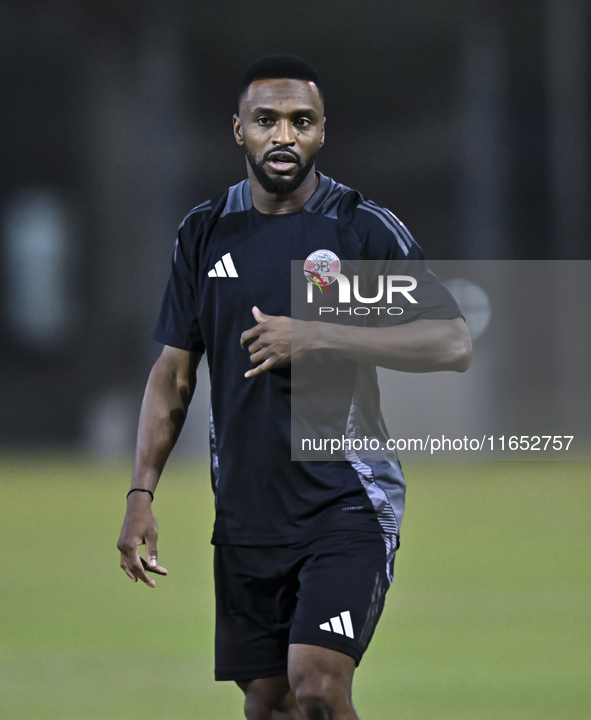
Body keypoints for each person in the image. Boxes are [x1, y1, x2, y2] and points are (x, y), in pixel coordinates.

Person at [117, 54, 472, 720]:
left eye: (300, 121)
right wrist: (141, 492)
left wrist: (317, 334)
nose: (283, 135)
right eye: (266, 120)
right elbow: (173, 372)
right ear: (238, 130)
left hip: (344, 502)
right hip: (249, 512)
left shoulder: (359, 230)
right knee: (268, 701)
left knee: (314, 686)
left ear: (321, 133)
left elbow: (449, 341)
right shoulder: (203, 233)